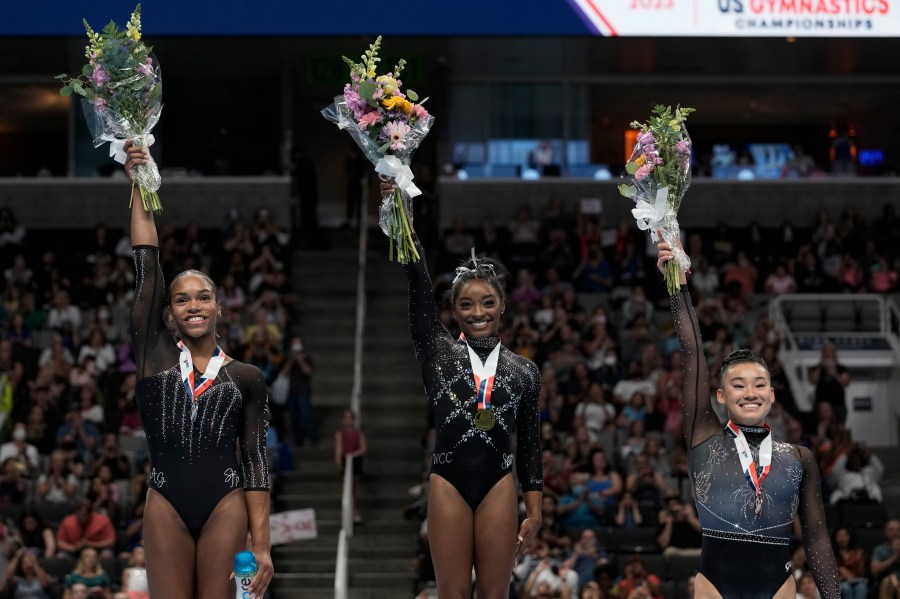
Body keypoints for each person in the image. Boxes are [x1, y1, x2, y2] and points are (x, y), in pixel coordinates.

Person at [124, 143, 272, 599]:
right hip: (165, 502)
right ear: (168, 313)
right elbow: (147, 266)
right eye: (182, 298)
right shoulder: (154, 357)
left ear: (219, 307)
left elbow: (254, 459)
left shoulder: (246, 378)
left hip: (225, 503)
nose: (193, 305)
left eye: (203, 297)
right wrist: (139, 178)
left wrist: (262, 547)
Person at [382, 178, 543, 599]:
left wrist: (536, 509)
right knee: (452, 593)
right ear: (453, 311)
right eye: (467, 305)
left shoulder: (524, 371)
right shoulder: (435, 352)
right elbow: (416, 280)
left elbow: (528, 443)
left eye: (488, 303)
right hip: (448, 481)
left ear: (502, 306)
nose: (478, 313)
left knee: (494, 594)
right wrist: (400, 213)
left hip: (498, 483)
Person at [657, 237, 840, 599]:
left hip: (778, 586)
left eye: (760, 384)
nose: (750, 392)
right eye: (738, 385)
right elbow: (692, 354)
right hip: (714, 585)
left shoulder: (799, 458)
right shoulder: (703, 438)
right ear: (721, 396)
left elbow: (817, 537)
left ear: (772, 394)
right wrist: (678, 287)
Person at [280, 335, 318, 446]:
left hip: (303, 391)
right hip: (291, 391)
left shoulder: (308, 358)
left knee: (306, 416)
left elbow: (308, 372)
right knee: (294, 417)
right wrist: (291, 361)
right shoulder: (288, 358)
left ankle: (314, 438)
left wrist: (300, 360)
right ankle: (298, 440)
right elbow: (284, 373)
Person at [334, 407, 366, 524]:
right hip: (345, 461)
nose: (348, 420)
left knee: (355, 488)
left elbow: (363, 448)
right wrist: (338, 460)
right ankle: (348, 511)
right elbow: (338, 449)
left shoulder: (359, 432)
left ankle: (354, 510)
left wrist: (353, 455)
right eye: (346, 418)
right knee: (348, 487)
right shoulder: (339, 433)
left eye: (350, 418)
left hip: (355, 461)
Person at [809, 342, 850, 425]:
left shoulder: (841, 368)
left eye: (831, 352)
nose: (828, 354)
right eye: (826, 352)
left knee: (839, 426)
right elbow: (813, 380)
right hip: (821, 404)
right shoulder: (816, 368)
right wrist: (821, 366)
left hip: (838, 404)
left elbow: (845, 382)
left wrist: (835, 374)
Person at [871, 519, 900, 599]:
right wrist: (894, 557)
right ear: (885, 531)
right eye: (891, 530)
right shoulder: (879, 549)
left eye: (898, 530)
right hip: (885, 582)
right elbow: (874, 570)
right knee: (888, 581)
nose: (895, 533)